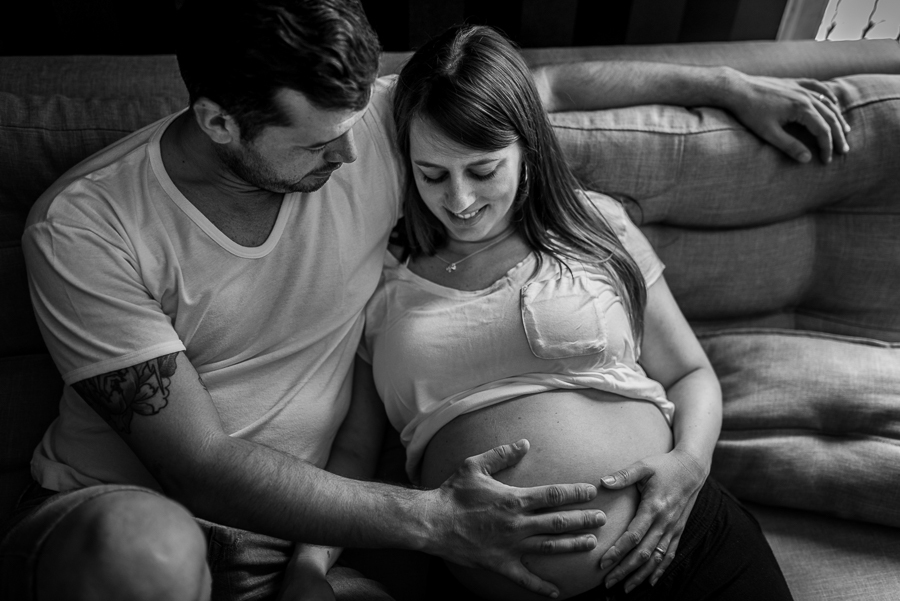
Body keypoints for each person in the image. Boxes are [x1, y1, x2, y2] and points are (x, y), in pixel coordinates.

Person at [0, 0, 847, 599]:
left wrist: (734, 86)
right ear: (221, 124)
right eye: (321, 145)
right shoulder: (85, 228)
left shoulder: (367, 126)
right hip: (142, 509)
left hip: (329, 524)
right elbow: (200, 466)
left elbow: (539, 90)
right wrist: (436, 522)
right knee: (144, 550)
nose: (356, 160)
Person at [332, 24, 793, 600]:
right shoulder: (377, 279)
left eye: (483, 170)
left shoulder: (592, 226)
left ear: (527, 146)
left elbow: (690, 373)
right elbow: (351, 455)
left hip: (682, 547)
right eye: (432, 175)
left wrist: (690, 466)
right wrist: (308, 566)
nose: (460, 201)